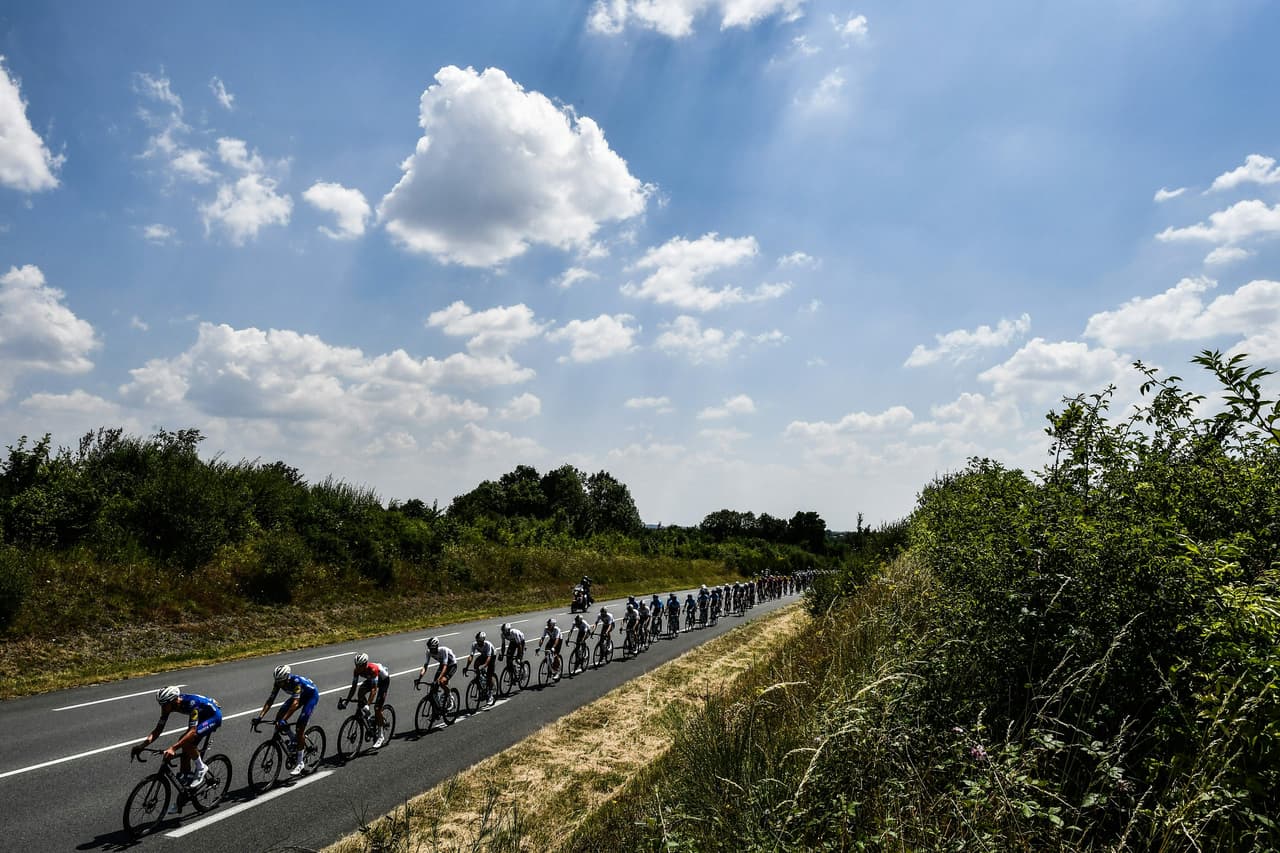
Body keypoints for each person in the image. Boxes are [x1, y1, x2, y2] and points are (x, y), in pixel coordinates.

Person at [131, 686, 222, 788]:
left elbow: (192, 731)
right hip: (201, 715)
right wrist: (142, 746)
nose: (163, 708)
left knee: (186, 741)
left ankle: (201, 767)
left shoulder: (191, 704)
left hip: (213, 717)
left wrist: (173, 748)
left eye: (165, 704)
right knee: (184, 742)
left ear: (174, 700)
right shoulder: (169, 706)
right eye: (161, 705)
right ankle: (186, 775)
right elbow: (158, 730)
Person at [253, 664, 318, 775]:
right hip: (299, 696)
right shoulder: (278, 682)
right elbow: (270, 700)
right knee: (278, 716)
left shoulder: (296, 681)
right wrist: (260, 716)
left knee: (299, 728)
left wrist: (284, 719)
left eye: (281, 681)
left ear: (287, 678)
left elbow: (295, 703)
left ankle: (300, 763)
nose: (279, 684)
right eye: (277, 681)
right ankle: (294, 738)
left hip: (311, 696)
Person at [340, 653, 390, 748]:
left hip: (383, 681)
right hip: (371, 679)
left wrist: (368, 704)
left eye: (360, 666)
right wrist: (346, 702)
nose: (358, 668)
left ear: (365, 664)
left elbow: (374, 690)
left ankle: (381, 736)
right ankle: (368, 716)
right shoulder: (356, 671)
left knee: (377, 708)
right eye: (356, 665)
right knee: (360, 691)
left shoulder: (373, 669)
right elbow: (353, 687)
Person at [417, 637, 457, 722]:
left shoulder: (443, 650)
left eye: (432, 648)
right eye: (429, 648)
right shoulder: (429, 652)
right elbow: (425, 666)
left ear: (436, 646)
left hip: (451, 665)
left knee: (441, 682)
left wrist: (438, 680)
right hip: (443, 665)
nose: (430, 650)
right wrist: (419, 678)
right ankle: (436, 712)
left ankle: (450, 697)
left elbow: (445, 667)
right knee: (433, 690)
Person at [465, 631, 498, 705]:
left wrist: (485, 666)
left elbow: (489, 657)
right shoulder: (474, 644)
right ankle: (480, 680)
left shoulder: (487, 644)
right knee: (476, 664)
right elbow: (471, 656)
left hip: (492, 656)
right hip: (484, 655)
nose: (477, 642)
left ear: (483, 640)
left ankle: (490, 694)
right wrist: (466, 667)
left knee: (489, 675)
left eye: (479, 641)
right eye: (477, 640)